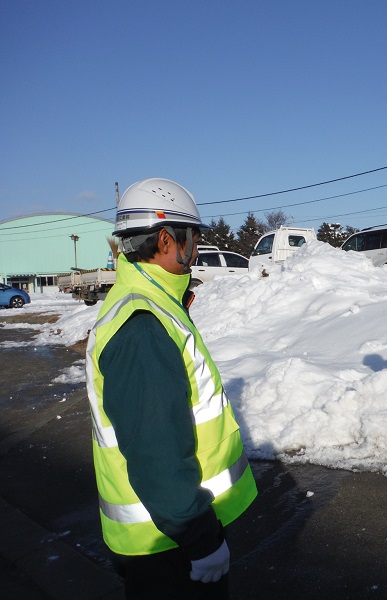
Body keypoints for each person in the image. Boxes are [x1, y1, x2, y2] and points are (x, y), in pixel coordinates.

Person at [86, 178, 258, 599]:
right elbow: (155, 447)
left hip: (165, 536)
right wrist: (201, 540)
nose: (196, 249)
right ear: (167, 239)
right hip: (169, 545)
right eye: (193, 237)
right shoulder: (142, 322)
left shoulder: (151, 301)